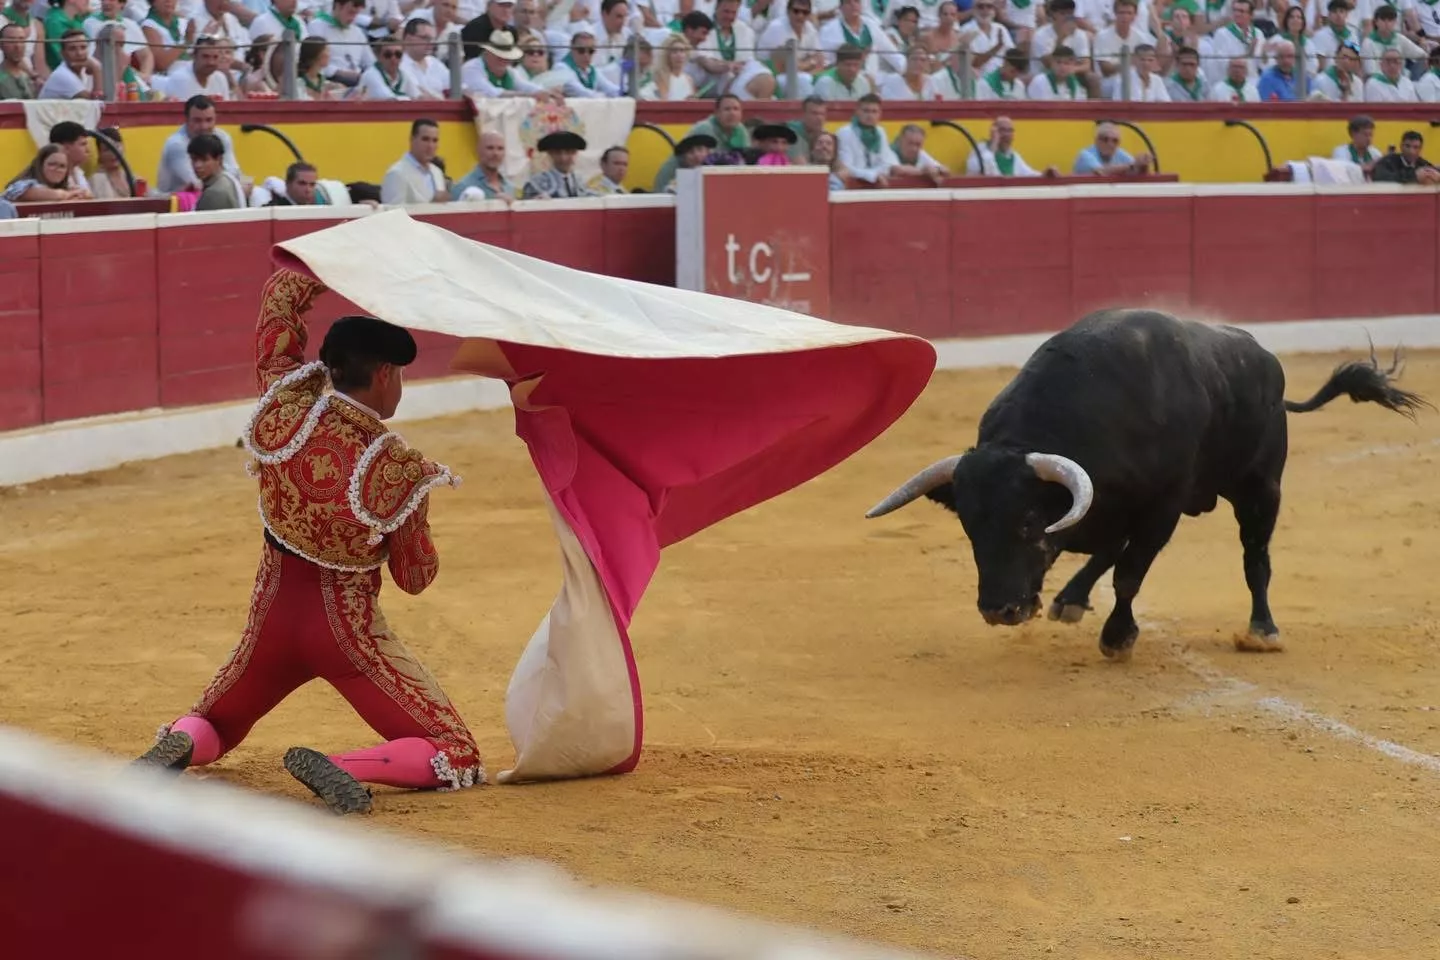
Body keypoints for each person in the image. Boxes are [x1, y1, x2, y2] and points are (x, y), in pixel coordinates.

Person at [135, 269, 481, 814]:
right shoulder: (396, 466)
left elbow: (278, 314)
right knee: (456, 753)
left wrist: (323, 265)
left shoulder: (284, 408)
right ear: (387, 373)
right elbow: (415, 578)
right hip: (346, 636)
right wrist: (405, 521)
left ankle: (183, 738)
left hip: (271, 621)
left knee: (218, 720)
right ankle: (340, 766)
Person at [521, 130, 598, 198]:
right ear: (550, 154)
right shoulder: (537, 182)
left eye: (568, 152)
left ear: (575, 153)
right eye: (557, 153)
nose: (563, 158)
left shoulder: (580, 181)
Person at [1371, 131, 1440, 184]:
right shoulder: (1388, 160)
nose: (1411, 151)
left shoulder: (1423, 163)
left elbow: (1434, 173)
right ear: (1401, 146)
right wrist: (1414, 176)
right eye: (1407, 146)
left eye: (1416, 147)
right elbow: (1379, 177)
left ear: (1420, 149)